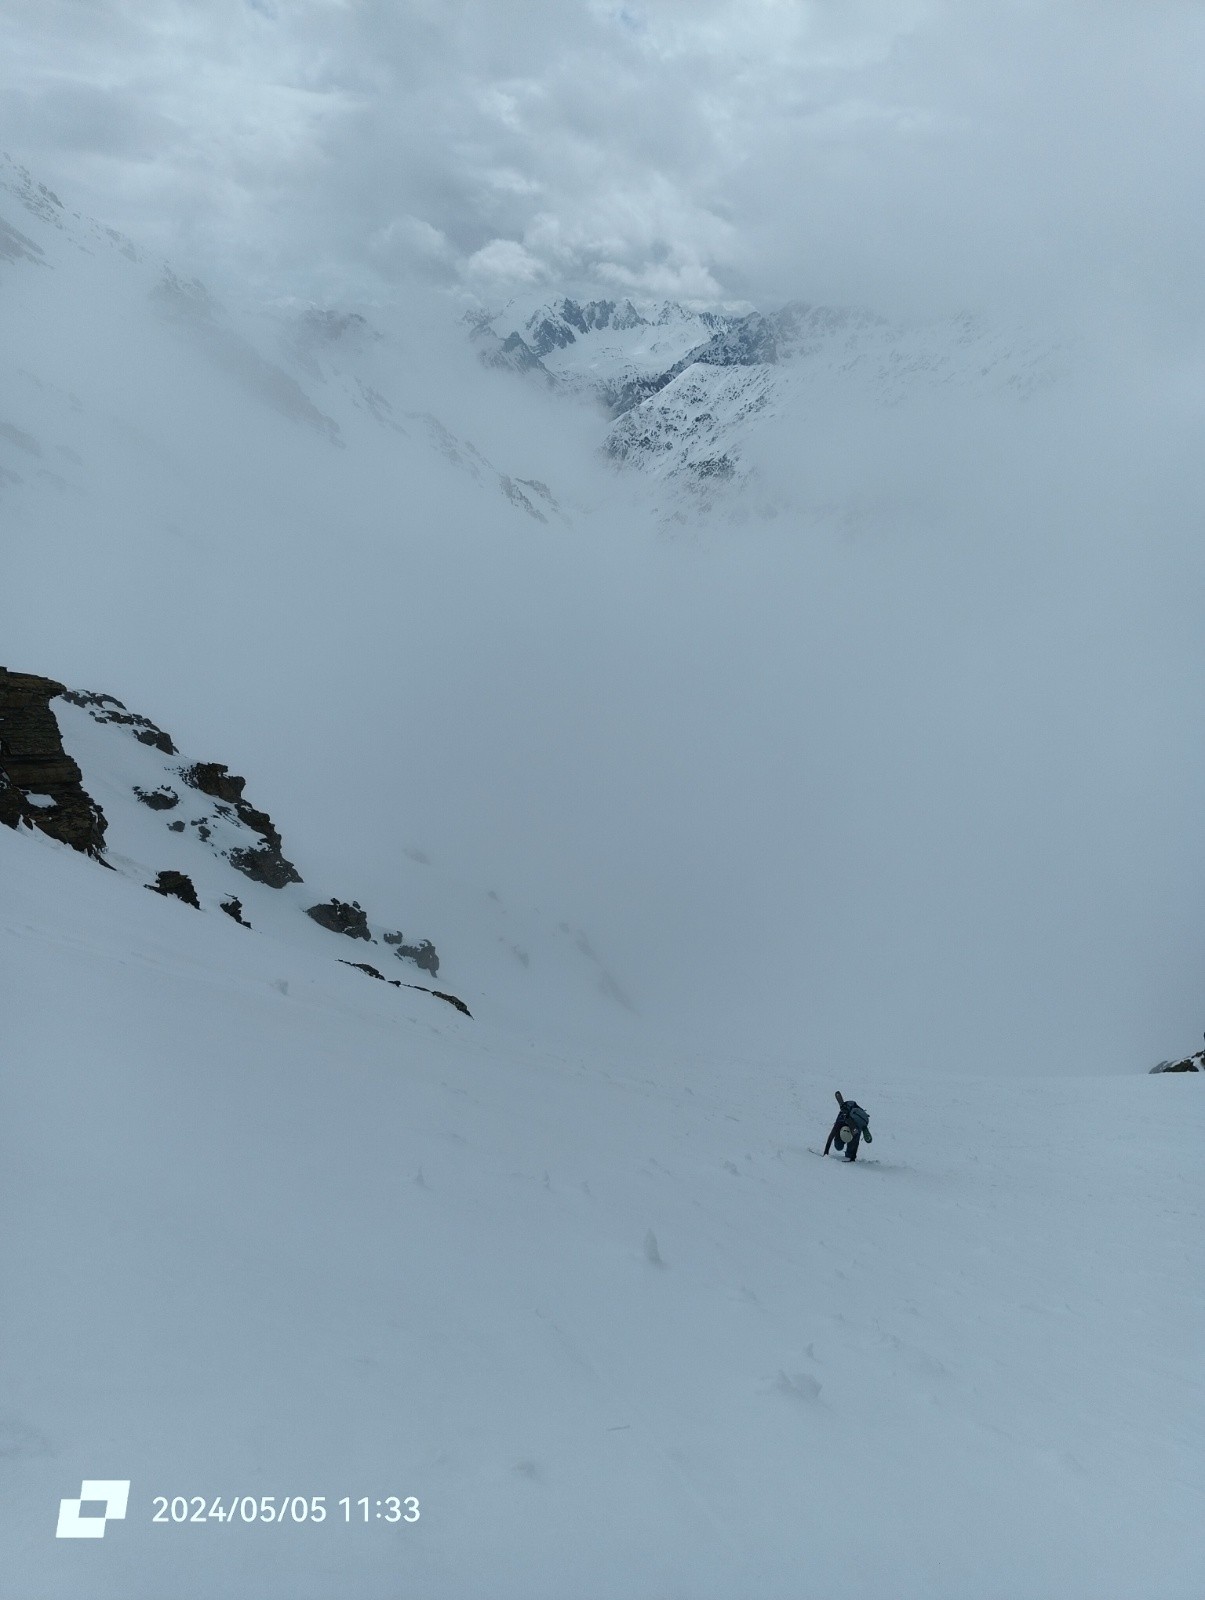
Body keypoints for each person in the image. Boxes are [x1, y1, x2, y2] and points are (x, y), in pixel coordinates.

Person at [824, 1090, 873, 1161]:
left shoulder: (855, 1130)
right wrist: (826, 1152)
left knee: (849, 1151)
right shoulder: (839, 1123)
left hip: (855, 1120)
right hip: (847, 1114)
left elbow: (856, 1143)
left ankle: (850, 1152)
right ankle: (848, 1149)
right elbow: (831, 1136)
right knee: (838, 1147)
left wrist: (853, 1157)